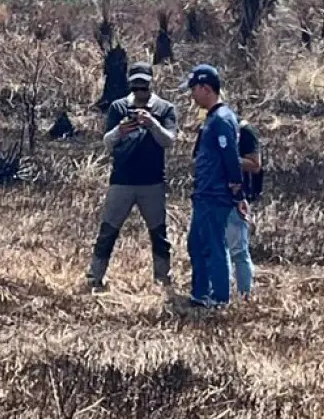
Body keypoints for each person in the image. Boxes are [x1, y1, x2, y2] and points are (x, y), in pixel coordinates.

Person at [86, 62, 178, 291]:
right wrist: (120, 130)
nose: (139, 93)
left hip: (153, 183)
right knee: (108, 231)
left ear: (151, 85)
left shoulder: (165, 109)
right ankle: (94, 277)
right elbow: (107, 142)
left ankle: (162, 279)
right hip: (121, 182)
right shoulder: (118, 108)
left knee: (159, 234)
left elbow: (169, 140)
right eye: (135, 87)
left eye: (143, 87)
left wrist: (152, 123)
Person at [180, 64, 248, 307]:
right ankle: (200, 293)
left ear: (206, 88)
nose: (192, 95)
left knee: (213, 245)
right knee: (196, 244)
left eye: (194, 89)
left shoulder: (221, 120)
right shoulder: (211, 117)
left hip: (214, 194)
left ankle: (219, 297)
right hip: (203, 193)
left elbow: (230, 157)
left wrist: (237, 191)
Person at [194, 107, 262, 300]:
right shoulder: (205, 129)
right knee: (211, 248)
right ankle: (210, 295)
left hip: (234, 198)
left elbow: (256, 165)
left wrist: (227, 158)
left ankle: (244, 297)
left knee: (238, 250)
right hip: (209, 197)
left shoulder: (245, 130)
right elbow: (197, 158)